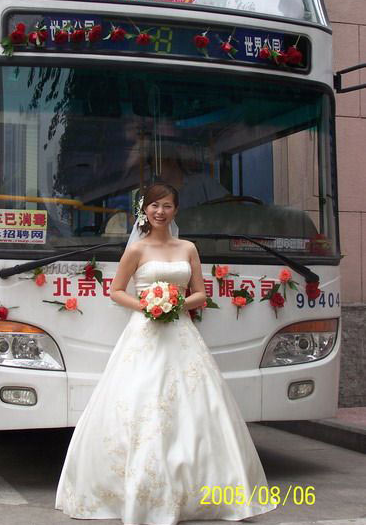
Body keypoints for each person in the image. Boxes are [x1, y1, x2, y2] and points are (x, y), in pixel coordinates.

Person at [55, 182, 278, 524]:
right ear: (144, 210)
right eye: (154, 205)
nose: (160, 211)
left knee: (197, 406)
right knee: (140, 401)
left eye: (167, 206)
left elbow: (200, 294)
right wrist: (147, 306)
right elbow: (116, 291)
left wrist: (175, 304)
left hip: (181, 332)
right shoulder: (137, 250)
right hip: (143, 333)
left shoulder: (188, 248)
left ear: (176, 210)